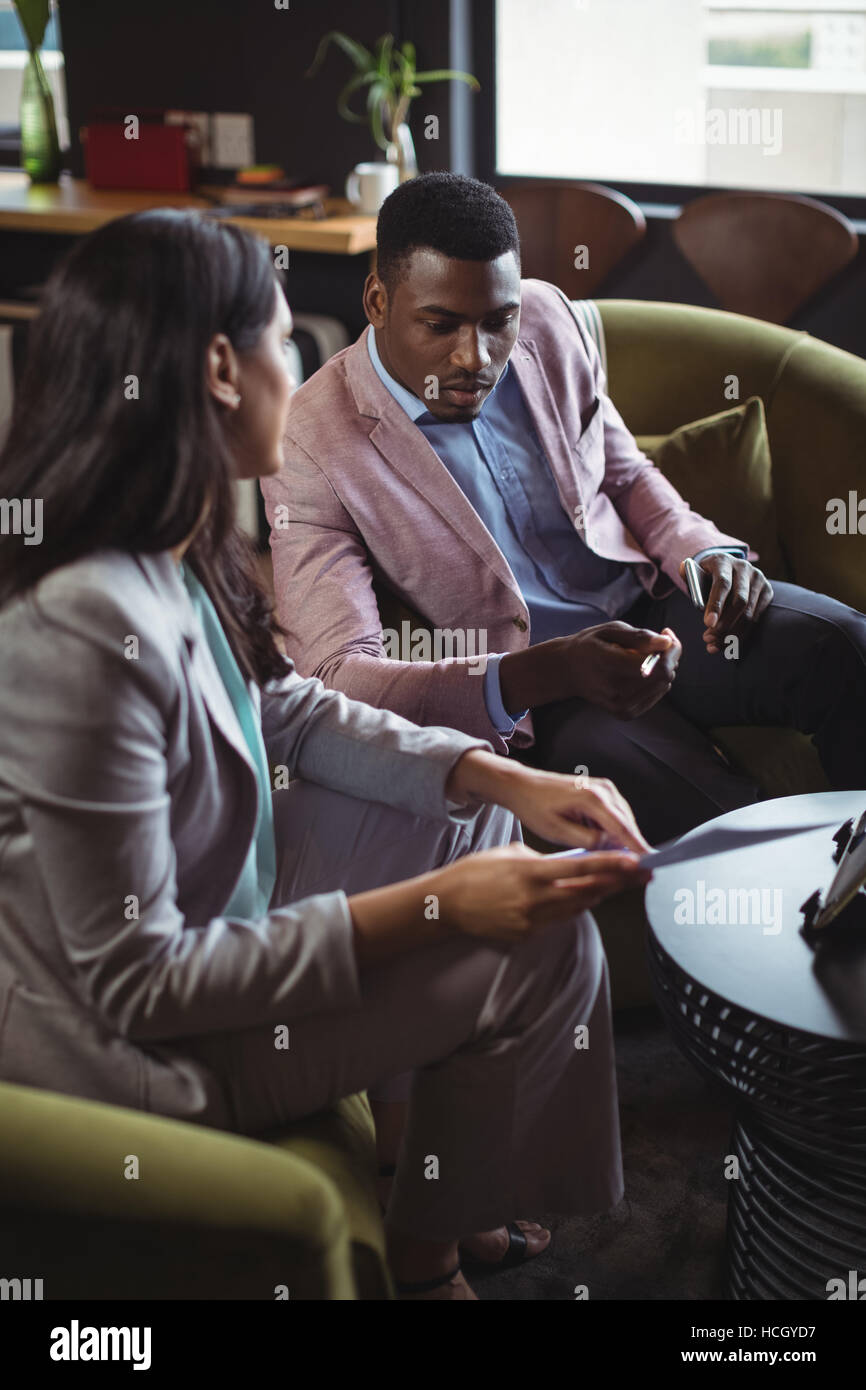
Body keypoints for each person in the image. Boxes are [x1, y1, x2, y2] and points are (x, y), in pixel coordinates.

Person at [0, 209, 653, 1301]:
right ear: (219, 365)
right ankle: (427, 1256)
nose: (299, 365)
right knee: (531, 943)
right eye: (280, 333)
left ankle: (423, 1215)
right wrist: (439, 905)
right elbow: (142, 982)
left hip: (201, 947)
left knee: (487, 827)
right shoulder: (80, 628)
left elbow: (289, 711)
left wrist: (503, 774)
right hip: (137, 1059)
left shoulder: (183, 542)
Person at [262, 172, 866, 844]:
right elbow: (336, 679)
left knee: (845, 646)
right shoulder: (309, 442)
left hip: (650, 604)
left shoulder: (548, 317)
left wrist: (706, 554)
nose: (476, 357)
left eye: (498, 322)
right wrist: (545, 671)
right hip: (539, 690)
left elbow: (622, 469)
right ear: (377, 299)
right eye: (440, 325)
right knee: (725, 827)